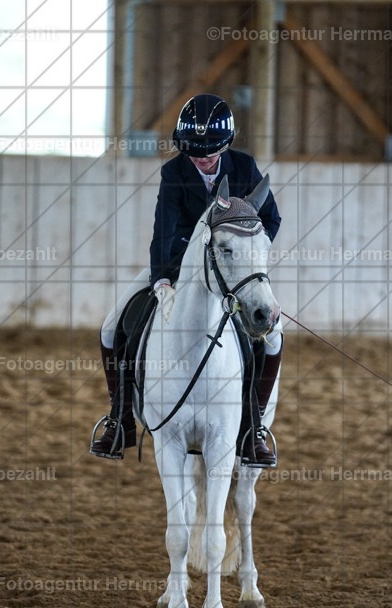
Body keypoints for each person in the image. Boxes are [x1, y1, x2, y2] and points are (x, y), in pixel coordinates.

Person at [90, 93, 283, 467]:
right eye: (194, 150)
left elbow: (270, 220)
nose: (201, 157)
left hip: (234, 273)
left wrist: (245, 258)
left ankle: (254, 428)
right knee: (111, 327)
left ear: (226, 145)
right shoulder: (174, 172)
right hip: (178, 267)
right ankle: (119, 419)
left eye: (209, 152)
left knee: (273, 336)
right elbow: (163, 230)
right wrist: (162, 279)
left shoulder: (244, 168)